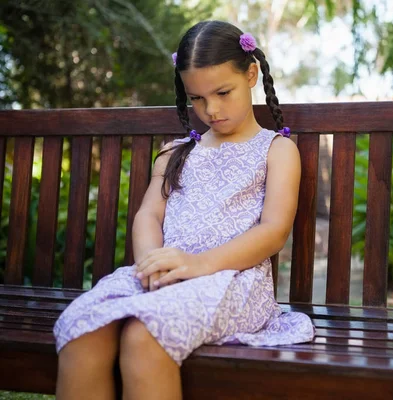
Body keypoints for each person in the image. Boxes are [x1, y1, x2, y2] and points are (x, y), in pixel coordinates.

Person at [54, 20, 315, 400]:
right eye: (197, 98)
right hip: (166, 275)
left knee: (145, 335)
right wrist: (151, 263)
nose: (211, 109)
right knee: (83, 327)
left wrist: (198, 265)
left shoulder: (276, 150)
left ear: (252, 74)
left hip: (233, 282)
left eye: (223, 92)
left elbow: (273, 231)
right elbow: (149, 215)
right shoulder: (177, 152)